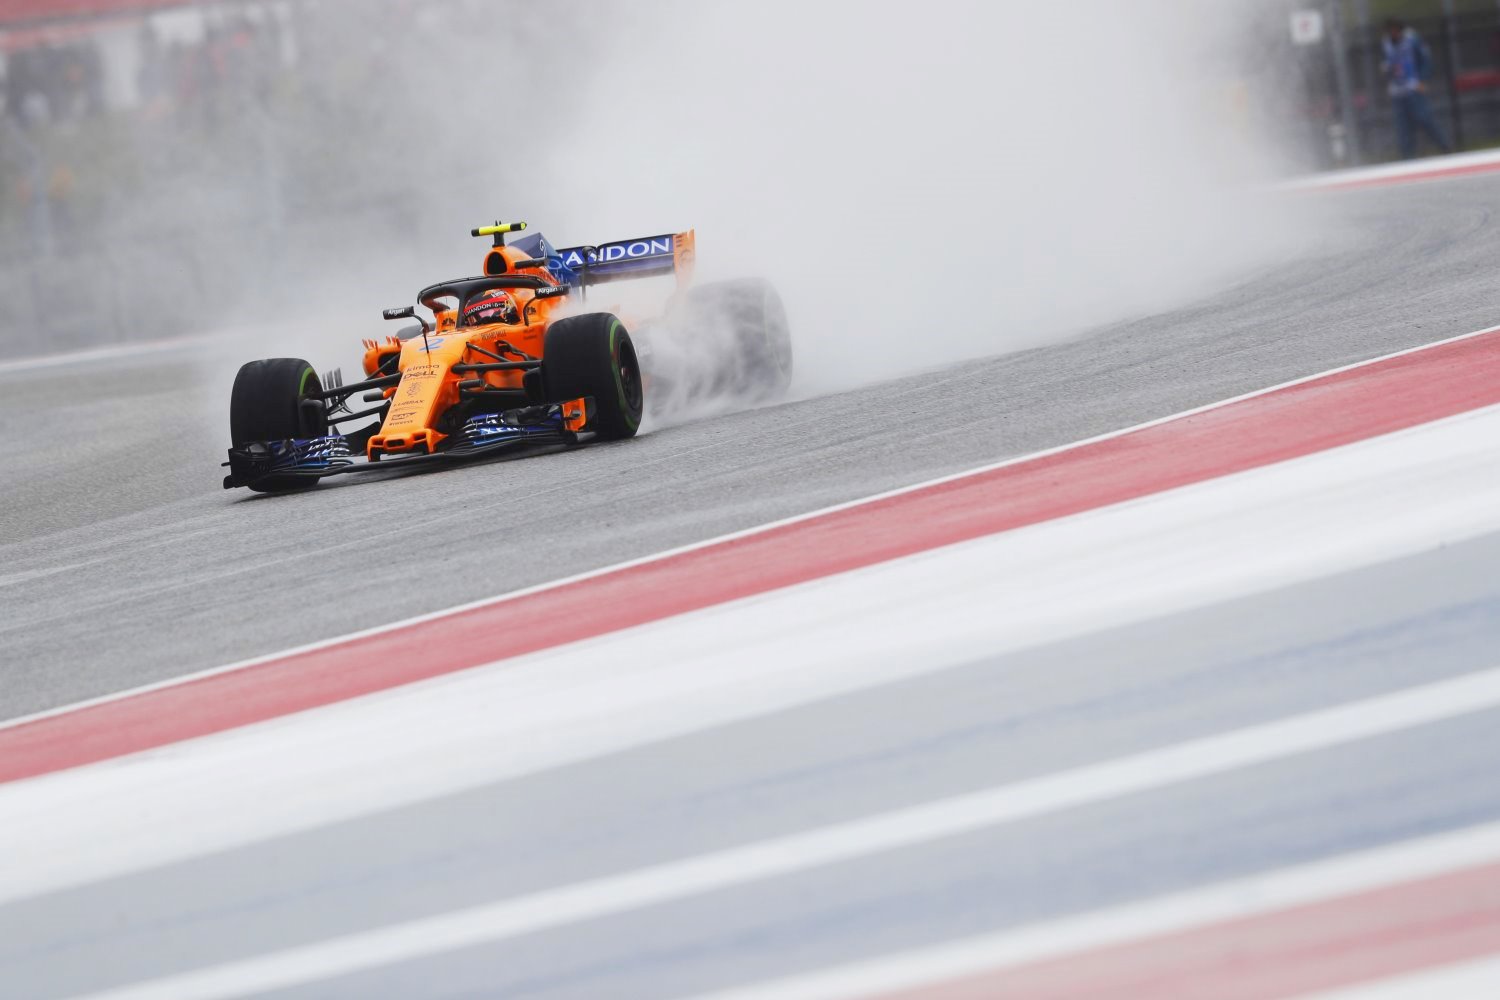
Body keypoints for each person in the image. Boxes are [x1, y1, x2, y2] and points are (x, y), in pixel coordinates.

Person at [1381, 18, 1452, 159]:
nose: (1393, 33)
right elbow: (1387, 64)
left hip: (1413, 86)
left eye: (1395, 30)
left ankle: (1444, 146)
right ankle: (1407, 156)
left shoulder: (1412, 39)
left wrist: (1423, 80)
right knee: (1402, 126)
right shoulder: (1386, 44)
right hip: (1397, 90)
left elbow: (1425, 59)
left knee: (1424, 118)